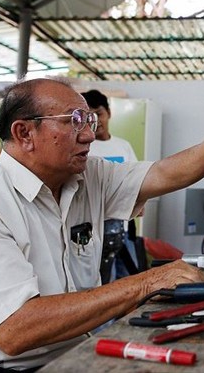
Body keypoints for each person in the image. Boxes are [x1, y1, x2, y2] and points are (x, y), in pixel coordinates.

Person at [0, 77, 204, 369]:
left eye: (88, 120)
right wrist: (148, 281)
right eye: (73, 121)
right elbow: (15, 331)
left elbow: (163, 174)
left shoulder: (88, 176)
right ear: (24, 134)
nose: (89, 134)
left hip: (67, 352)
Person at [81, 89, 141, 284]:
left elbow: (135, 180)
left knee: (129, 282)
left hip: (122, 228)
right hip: (91, 233)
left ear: (109, 113)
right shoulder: (82, 146)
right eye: (88, 116)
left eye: (98, 113)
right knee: (100, 284)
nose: (95, 120)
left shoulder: (123, 146)